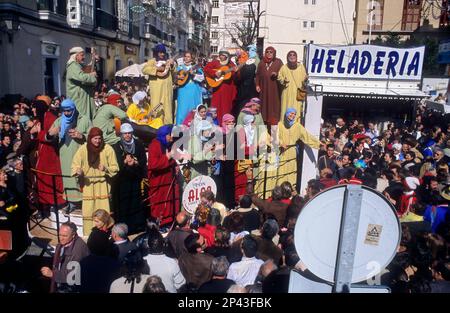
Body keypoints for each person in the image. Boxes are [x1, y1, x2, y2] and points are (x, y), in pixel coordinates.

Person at [71, 127, 119, 235]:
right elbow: (75, 164)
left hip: (103, 185)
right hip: (88, 185)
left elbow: (115, 167)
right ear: (90, 138)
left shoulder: (108, 149)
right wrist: (78, 170)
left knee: (103, 210)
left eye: (99, 138)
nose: (97, 141)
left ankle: (105, 233)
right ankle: (89, 234)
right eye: (95, 138)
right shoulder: (83, 149)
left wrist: (106, 169)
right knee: (88, 211)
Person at [46, 99, 91, 213]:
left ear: (74, 109)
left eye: (69, 110)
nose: (66, 113)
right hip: (65, 156)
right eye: (64, 111)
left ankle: (84, 202)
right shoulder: (59, 121)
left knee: (80, 178)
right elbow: (47, 138)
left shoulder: (84, 120)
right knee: (68, 179)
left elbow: (94, 136)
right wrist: (51, 133)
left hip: (80, 155)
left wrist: (81, 136)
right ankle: (71, 202)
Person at [112, 123, 147, 232]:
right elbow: (115, 162)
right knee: (124, 203)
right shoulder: (117, 146)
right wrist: (124, 162)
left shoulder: (138, 144)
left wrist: (135, 161)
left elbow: (143, 160)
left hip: (135, 178)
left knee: (136, 202)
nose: (127, 135)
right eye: (125, 133)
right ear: (121, 134)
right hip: (123, 181)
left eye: (129, 133)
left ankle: (136, 226)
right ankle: (124, 227)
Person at [35, 97, 64, 218]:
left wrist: (38, 134)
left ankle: (53, 206)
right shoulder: (41, 118)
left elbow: (52, 135)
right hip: (43, 156)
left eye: (36, 107)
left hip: (50, 156)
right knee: (42, 182)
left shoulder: (51, 117)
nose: (34, 109)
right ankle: (45, 208)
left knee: (51, 181)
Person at [40, 222, 90, 293]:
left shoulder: (78, 251)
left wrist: (52, 274)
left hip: (74, 287)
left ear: (73, 235)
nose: (61, 238)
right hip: (63, 282)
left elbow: (72, 276)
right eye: (60, 235)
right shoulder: (66, 243)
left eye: (65, 236)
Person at [148, 125, 180, 226]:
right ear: (164, 135)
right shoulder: (154, 145)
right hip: (159, 180)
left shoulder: (167, 144)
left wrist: (175, 165)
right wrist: (168, 156)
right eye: (169, 134)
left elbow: (171, 158)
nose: (171, 137)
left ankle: (169, 221)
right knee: (160, 202)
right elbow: (153, 164)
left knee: (169, 200)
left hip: (168, 179)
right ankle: (160, 223)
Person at [142, 44, 175, 124]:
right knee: (156, 107)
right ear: (156, 53)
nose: (162, 54)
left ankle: (168, 127)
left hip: (167, 89)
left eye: (163, 52)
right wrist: (156, 69)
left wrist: (172, 65)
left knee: (168, 108)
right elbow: (144, 70)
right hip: (156, 90)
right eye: (160, 52)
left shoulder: (168, 61)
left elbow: (174, 74)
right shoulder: (152, 61)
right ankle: (156, 126)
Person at [204, 50, 238, 124]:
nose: (221, 56)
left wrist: (236, 72)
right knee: (216, 106)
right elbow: (206, 69)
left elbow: (236, 77)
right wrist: (214, 73)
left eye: (223, 55)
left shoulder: (231, 64)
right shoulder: (215, 62)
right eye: (220, 55)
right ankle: (215, 123)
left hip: (227, 90)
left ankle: (225, 124)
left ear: (227, 56)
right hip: (217, 89)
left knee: (226, 107)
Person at [65, 47, 97, 120]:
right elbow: (81, 77)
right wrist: (92, 76)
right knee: (82, 119)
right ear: (76, 56)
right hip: (78, 99)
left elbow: (86, 70)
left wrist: (93, 61)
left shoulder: (78, 65)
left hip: (83, 98)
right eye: (82, 55)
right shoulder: (72, 65)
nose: (84, 57)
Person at [255, 46, 283, 125]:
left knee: (273, 105)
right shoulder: (262, 62)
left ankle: (273, 122)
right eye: (267, 52)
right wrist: (257, 85)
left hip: (274, 89)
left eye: (271, 52)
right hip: (263, 88)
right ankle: (264, 122)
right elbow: (257, 75)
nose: (269, 54)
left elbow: (283, 73)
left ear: (274, 53)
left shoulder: (278, 62)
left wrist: (277, 74)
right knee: (264, 105)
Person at [175, 52, 204, 125]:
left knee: (193, 109)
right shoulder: (180, 67)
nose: (186, 58)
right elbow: (174, 78)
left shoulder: (196, 67)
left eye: (188, 57)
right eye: (185, 56)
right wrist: (178, 77)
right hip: (183, 92)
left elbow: (202, 78)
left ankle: (194, 127)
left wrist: (193, 74)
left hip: (194, 92)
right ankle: (180, 128)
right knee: (182, 110)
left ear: (191, 58)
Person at [277, 51, 308, 119]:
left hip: (297, 95)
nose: (292, 56)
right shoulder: (284, 67)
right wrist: (283, 81)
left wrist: (305, 79)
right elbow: (279, 77)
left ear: (296, 57)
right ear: (287, 57)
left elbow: (304, 79)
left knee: (296, 113)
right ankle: (284, 129)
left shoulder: (301, 67)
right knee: (285, 111)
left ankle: (295, 128)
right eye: (290, 55)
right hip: (286, 94)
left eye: (294, 55)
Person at [233, 47, 258, 115]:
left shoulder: (248, 66)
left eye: (239, 58)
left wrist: (236, 72)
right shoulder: (249, 66)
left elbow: (239, 79)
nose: (238, 61)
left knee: (244, 107)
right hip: (246, 90)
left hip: (245, 91)